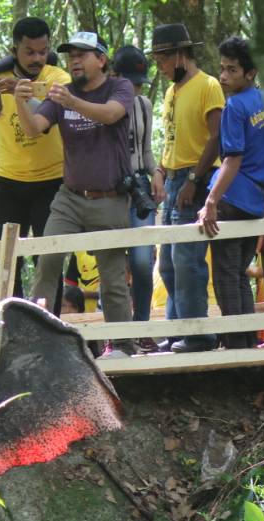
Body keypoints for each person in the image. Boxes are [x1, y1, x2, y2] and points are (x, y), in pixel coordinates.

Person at [13, 31, 141, 355]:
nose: (75, 60)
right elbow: (34, 128)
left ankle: (123, 345)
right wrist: (18, 101)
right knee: (48, 260)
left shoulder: (119, 87)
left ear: (102, 59)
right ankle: (37, 341)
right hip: (69, 197)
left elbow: (112, 114)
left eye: (83, 54)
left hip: (109, 197)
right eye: (71, 55)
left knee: (111, 276)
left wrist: (73, 103)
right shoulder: (62, 94)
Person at [0, 17, 70, 298]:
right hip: (8, 182)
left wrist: (22, 95)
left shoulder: (58, 79)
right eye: (29, 52)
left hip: (52, 182)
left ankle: (50, 326)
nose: (37, 58)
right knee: (6, 262)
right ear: (15, 50)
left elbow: (51, 118)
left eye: (43, 51)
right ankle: (9, 327)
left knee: (48, 261)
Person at [197, 36, 264, 350]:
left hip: (233, 198)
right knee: (239, 273)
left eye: (232, 70)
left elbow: (232, 159)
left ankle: (235, 344)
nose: (223, 76)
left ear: (250, 72)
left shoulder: (234, 106)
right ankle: (244, 340)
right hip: (256, 201)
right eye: (222, 69)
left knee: (226, 274)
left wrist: (211, 201)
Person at [151, 23, 225, 352]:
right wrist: (161, 172)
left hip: (199, 175)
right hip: (173, 178)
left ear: (181, 54)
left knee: (188, 259)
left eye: (164, 59)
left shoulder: (208, 86)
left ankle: (198, 334)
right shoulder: (172, 91)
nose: (161, 67)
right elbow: (172, 137)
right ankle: (177, 327)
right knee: (167, 260)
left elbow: (216, 136)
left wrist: (195, 180)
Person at [114, 44, 158, 323]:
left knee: (142, 262)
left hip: (140, 186)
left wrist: (158, 174)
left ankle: (142, 326)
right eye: (132, 83)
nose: (136, 90)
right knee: (113, 265)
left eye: (140, 85)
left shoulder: (144, 105)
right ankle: (116, 332)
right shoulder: (100, 104)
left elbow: (146, 150)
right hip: (111, 191)